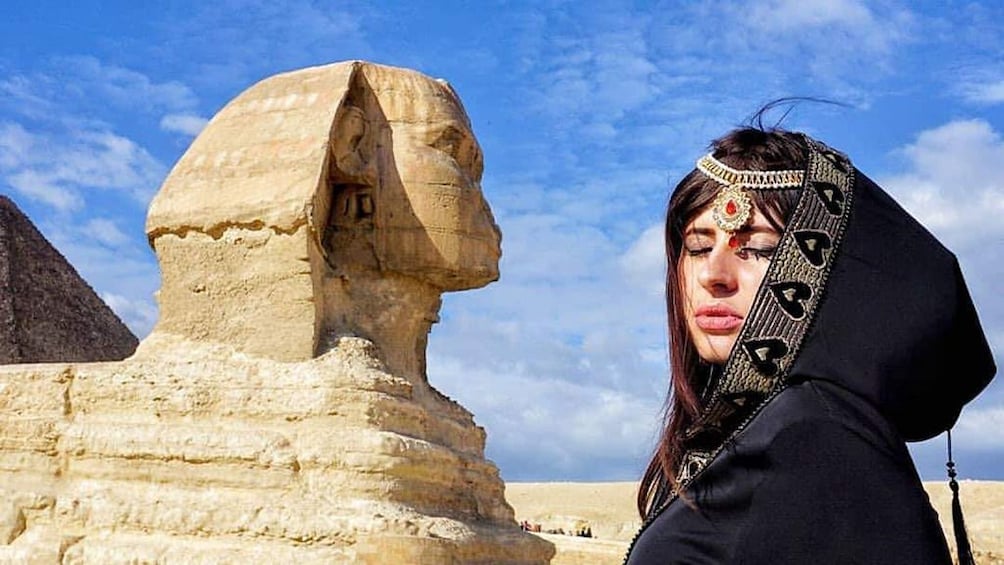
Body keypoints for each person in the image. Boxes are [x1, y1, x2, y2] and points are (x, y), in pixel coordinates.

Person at [624, 126, 996, 564]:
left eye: (760, 249)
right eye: (698, 247)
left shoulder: (815, 434)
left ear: (823, 268)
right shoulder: (750, 434)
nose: (713, 275)